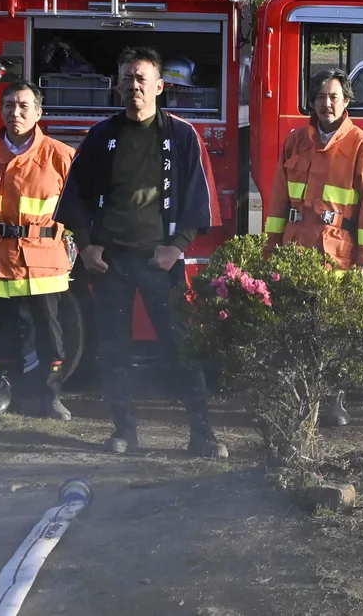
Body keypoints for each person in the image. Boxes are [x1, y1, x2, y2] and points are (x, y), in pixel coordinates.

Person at [55, 47, 226, 458]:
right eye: (127, 78)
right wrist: (86, 245)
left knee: (180, 348)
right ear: (118, 85)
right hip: (110, 260)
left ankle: (202, 434)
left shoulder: (182, 136)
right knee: (113, 348)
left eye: (142, 79)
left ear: (160, 87)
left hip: (159, 260)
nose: (134, 86)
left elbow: (197, 198)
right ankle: (124, 432)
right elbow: (75, 194)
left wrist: (177, 247)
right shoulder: (100, 136)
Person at [263, 68, 363, 427]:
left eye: (334, 97)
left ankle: (333, 402)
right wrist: (271, 248)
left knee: (330, 331)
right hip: (294, 252)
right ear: (311, 101)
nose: (327, 103)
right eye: (320, 97)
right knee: (294, 328)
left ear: (347, 101)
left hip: (337, 255)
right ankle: (297, 401)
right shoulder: (295, 142)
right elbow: (277, 200)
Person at [0, 80, 77, 420]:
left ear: (38, 113)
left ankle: (51, 397)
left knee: (50, 330)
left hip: (43, 257)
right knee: (1, 328)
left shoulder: (61, 156)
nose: (14, 113)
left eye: (23, 106)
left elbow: (77, 206)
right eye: (8, 106)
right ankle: (7, 395)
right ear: (0, 111)